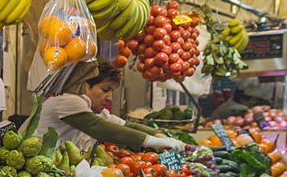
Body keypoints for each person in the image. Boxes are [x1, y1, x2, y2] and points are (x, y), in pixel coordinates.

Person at [25, 63, 184, 150]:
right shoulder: (69, 100)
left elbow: (123, 124)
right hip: (33, 160)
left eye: (111, 91)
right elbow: (99, 128)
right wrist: (151, 142)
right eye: (105, 90)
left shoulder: (89, 107)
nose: (109, 97)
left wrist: (159, 135)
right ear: (86, 86)